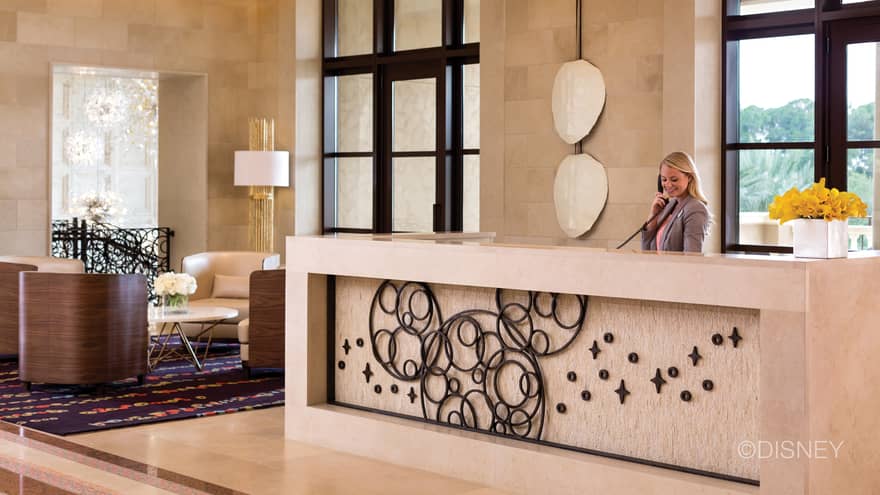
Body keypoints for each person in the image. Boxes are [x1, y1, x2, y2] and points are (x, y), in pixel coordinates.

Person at [641, 151, 710, 253]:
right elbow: (646, 249)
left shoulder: (695, 209)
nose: (668, 185)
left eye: (674, 180)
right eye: (664, 180)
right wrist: (653, 215)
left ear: (689, 177)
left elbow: (692, 256)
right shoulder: (670, 205)